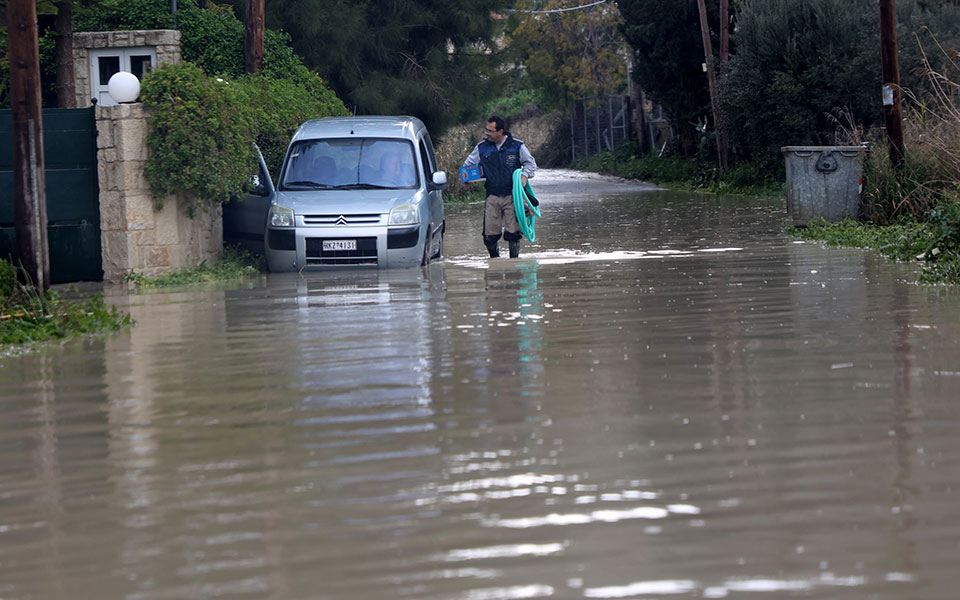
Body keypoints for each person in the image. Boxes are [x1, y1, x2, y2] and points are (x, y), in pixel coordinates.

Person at [463, 115, 537, 258]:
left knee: (513, 234)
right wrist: (466, 178)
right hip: (492, 196)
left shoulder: (517, 146)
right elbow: (468, 166)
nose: (487, 134)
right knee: (489, 236)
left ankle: (513, 264)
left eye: (490, 131)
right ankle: (494, 262)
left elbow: (530, 164)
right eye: (486, 130)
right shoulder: (482, 148)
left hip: (512, 196)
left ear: (500, 131)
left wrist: (524, 176)